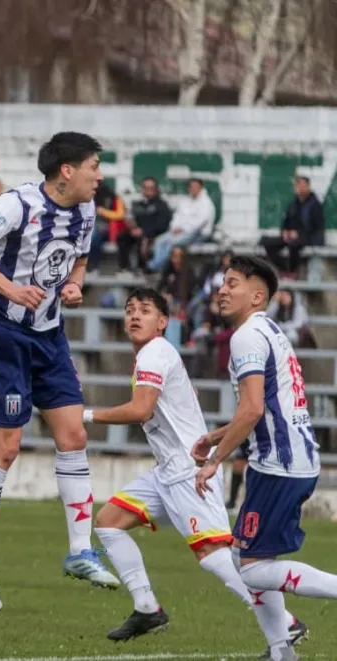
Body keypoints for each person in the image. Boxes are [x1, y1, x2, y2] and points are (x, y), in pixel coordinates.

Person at [0, 131, 120, 611]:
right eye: (93, 166)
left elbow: (79, 257)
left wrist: (76, 285)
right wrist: (8, 288)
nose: (98, 175)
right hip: (2, 333)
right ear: (67, 170)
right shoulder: (17, 204)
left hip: (50, 334)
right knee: (6, 448)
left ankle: (81, 551)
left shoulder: (85, 211)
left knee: (74, 436)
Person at [84, 288, 307, 656]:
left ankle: (287, 623)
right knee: (108, 521)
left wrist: (87, 415)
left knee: (217, 556)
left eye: (144, 310)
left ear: (163, 322)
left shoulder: (155, 351)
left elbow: (141, 410)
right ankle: (147, 608)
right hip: (167, 472)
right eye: (129, 310)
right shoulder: (149, 355)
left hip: (190, 471)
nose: (134, 316)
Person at [194, 255, 337, 661]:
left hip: (279, 464)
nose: (222, 290)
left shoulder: (246, 337)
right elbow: (263, 407)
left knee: (253, 568)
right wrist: (217, 436)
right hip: (288, 460)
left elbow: (253, 409)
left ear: (257, 296)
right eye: (223, 282)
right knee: (251, 559)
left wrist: (215, 458)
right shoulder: (268, 330)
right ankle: (280, 651)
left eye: (233, 283)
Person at [258, 176, 325, 279]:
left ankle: (291, 271)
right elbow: (286, 222)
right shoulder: (293, 204)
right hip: (291, 237)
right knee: (265, 241)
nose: (299, 188)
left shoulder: (315, 205)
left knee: (293, 245)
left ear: (308, 187)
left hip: (308, 238)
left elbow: (316, 227)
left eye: (302, 185)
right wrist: (285, 232)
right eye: (298, 185)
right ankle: (284, 269)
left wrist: (298, 233)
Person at [146, 178, 215, 273]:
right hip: (178, 231)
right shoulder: (185, 201)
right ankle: (159, 268)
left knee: (172, 244)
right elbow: (177, 216)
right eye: (191, 187)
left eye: (196, 187)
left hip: (198, 234)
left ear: (201, 188)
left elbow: (199, 223)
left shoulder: (206, 203)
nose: (193, 189)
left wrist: (183, 229)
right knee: (159, 241)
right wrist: (175, 227)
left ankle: (153, 266)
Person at [117, 177, 172, 275]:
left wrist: (144, 232)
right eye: (146, 188)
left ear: (156, 189)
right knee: (122, 237)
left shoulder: (162, 205)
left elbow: (163, 225)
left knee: (142, 241)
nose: (148, 190)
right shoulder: (138, 204)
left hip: (153, 235)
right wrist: (132, 227)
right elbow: (133, 220)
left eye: (151, 188)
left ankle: (142, 269)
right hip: (137, 232)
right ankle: (124, 268)